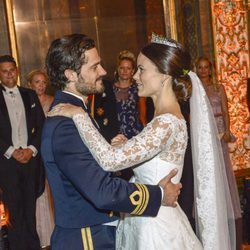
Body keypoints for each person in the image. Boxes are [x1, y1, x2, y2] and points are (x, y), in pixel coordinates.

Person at [49, 34, 237, 250]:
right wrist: (125, 146)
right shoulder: (163, 119)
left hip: (156, 229)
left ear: (164, 75)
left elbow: (110, 162)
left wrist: (79, 116)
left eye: (141, 69)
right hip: (147, 218)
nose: (135, 76)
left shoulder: (165, 123)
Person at [41, 33, 182, 250]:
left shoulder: (77, 112)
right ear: (70, 74)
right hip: (87, 236)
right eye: (94, 67)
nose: (104, 72)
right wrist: (159, 194)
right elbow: (101, 191)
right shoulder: (65, 125)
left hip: (100, 230)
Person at [196, 56, 242, 249]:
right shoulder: (195, 90)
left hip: (220, 133)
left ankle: (227, 208)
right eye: (200, 67)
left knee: (224, 172)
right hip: (205, 136)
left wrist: (227, 131)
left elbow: (226, 111)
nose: (204, 70)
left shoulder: (219, 88)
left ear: (211, 69)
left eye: (207, 67)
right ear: (196, 69)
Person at [0, 55, 45, 250]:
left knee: (30, 211)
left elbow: (41, 125)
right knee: (14, 215)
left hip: (30, 161)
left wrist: (31, 149)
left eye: (12, 70)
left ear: (17, 71)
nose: (9, 74)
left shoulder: (30, 94)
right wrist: (11, 151)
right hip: (8, 164)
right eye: (5, 71)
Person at [27, 69, 54, 249]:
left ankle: (53, 233)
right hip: (33, 153)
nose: (41, 86)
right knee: (37, 190)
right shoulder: (27, 101)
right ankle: (39, 234)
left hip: (51, 150)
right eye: (37, 82)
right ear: (30, 84)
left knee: (51, 189)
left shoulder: (53, 101)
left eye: (43, 82)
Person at [113, 50, 145, 138]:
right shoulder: (110, 89)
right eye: (122, 68)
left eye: (128, 68)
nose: (125, 71)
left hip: (135, 132)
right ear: (118, 69)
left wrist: (146, 132)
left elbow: (142, 113)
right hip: (116, 133)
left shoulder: (138, 88)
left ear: (133, 71)